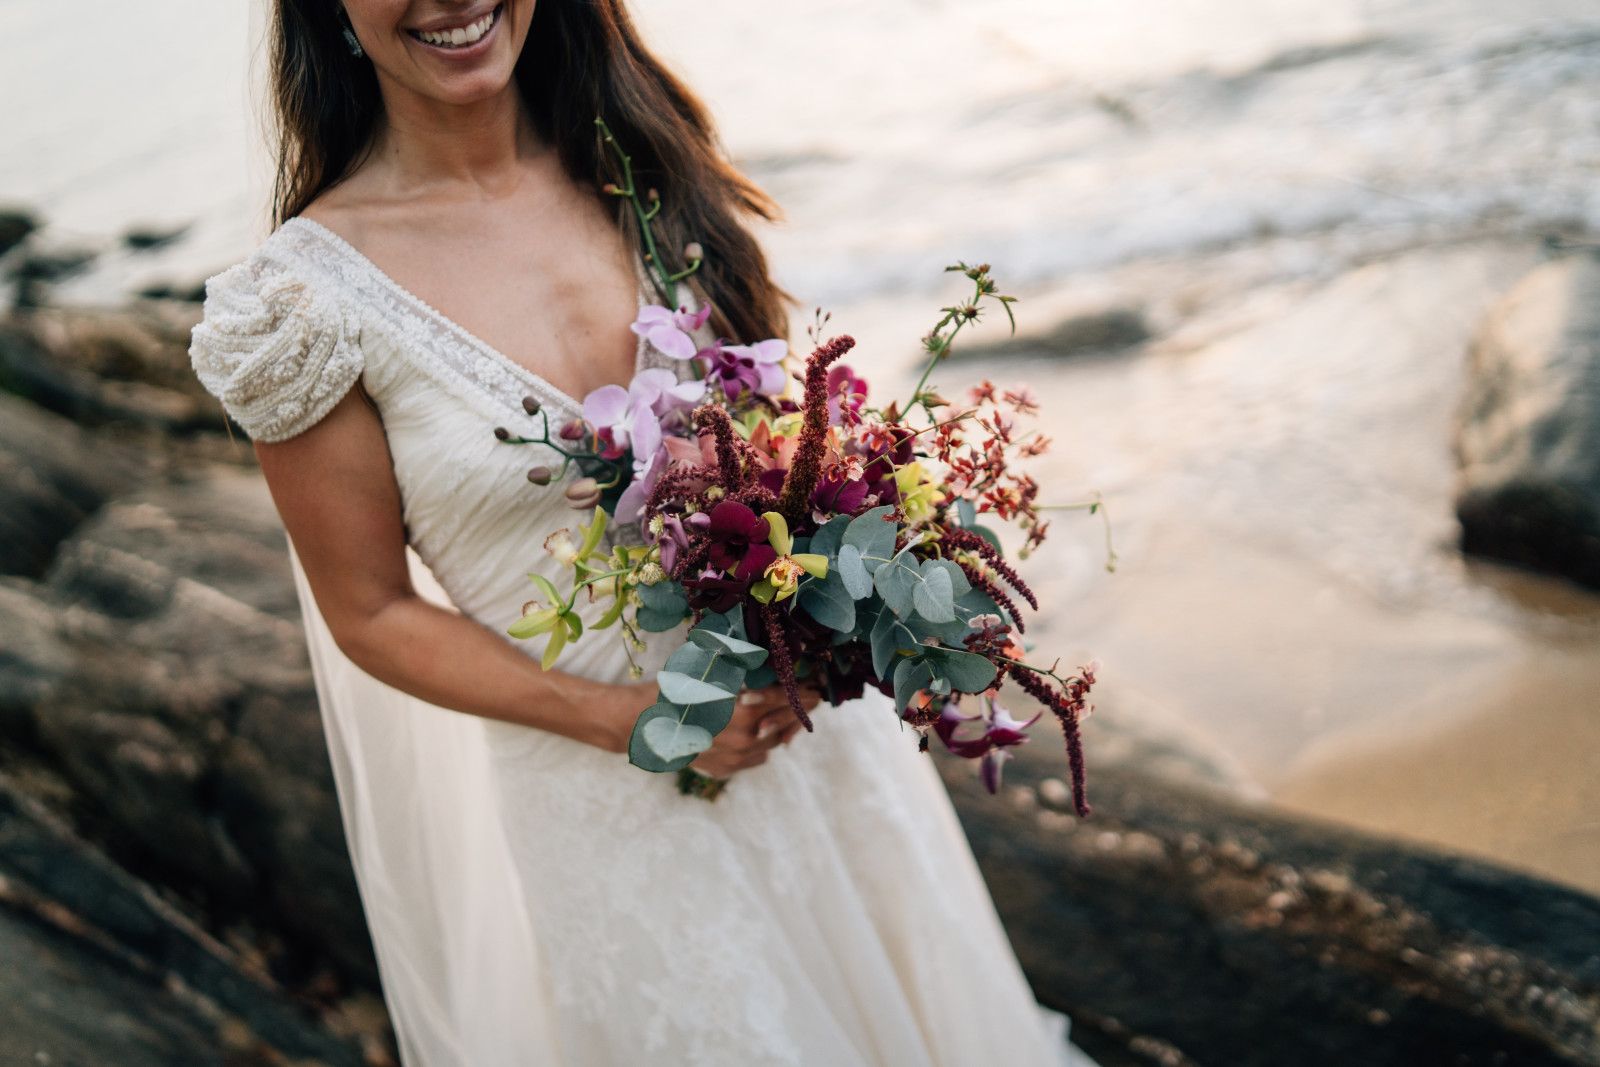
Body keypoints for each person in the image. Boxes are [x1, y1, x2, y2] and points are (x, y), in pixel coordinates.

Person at [189, 2, 1098, 1064]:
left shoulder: (640, 163)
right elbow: (371, 613)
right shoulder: (300, 303)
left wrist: (858, 597)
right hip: (614, 804)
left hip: (819, 752)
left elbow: (783, 435)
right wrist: (631, 719)